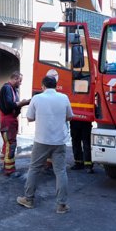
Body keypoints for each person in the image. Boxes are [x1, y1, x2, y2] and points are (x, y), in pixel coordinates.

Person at [16, 75, 73, 214]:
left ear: (43, 86)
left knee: (34, 168)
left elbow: (29, 117)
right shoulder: (64, 98)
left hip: (41, 140)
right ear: (56, 85)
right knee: (60, 171)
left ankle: (28, 199)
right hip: (59, 140)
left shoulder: (37, 98)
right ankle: (61, 205)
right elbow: (70, 116)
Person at [0, 71, 30, 178]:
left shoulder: (11, 89)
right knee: (10, 145)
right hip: (8, 122)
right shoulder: (7, 88)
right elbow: (9, 105)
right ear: (15, 79)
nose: (20, 83)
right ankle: (10, 169)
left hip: (8, 122)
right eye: (20, 81)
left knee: (6, 144)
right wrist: (22, 103)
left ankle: (3, 164)